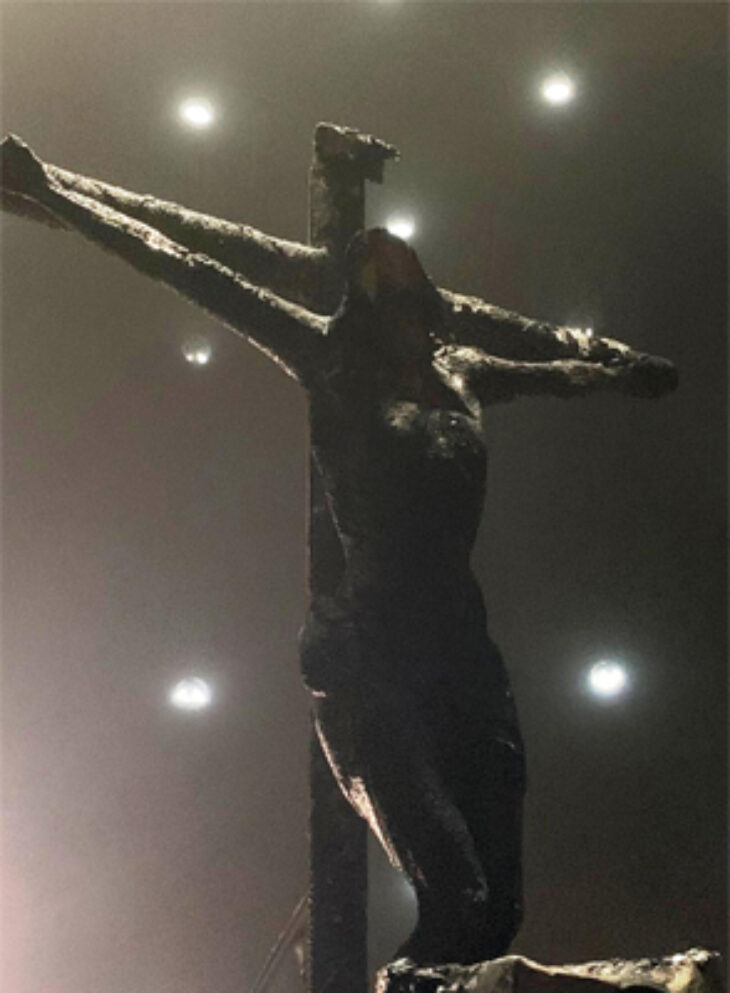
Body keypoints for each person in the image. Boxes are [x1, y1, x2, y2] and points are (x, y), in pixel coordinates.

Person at [1, 134, 677, 965]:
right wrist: (53, 194)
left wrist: (623, 368)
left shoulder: (464, 372)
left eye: (404, 269)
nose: (389, 272)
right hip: (373, 658)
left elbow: (565, 370)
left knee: (500, 908)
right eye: (374, 270)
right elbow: (186, 266)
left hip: (466, 655)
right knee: (458, 892)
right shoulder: (329, 358)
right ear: (360, 296)